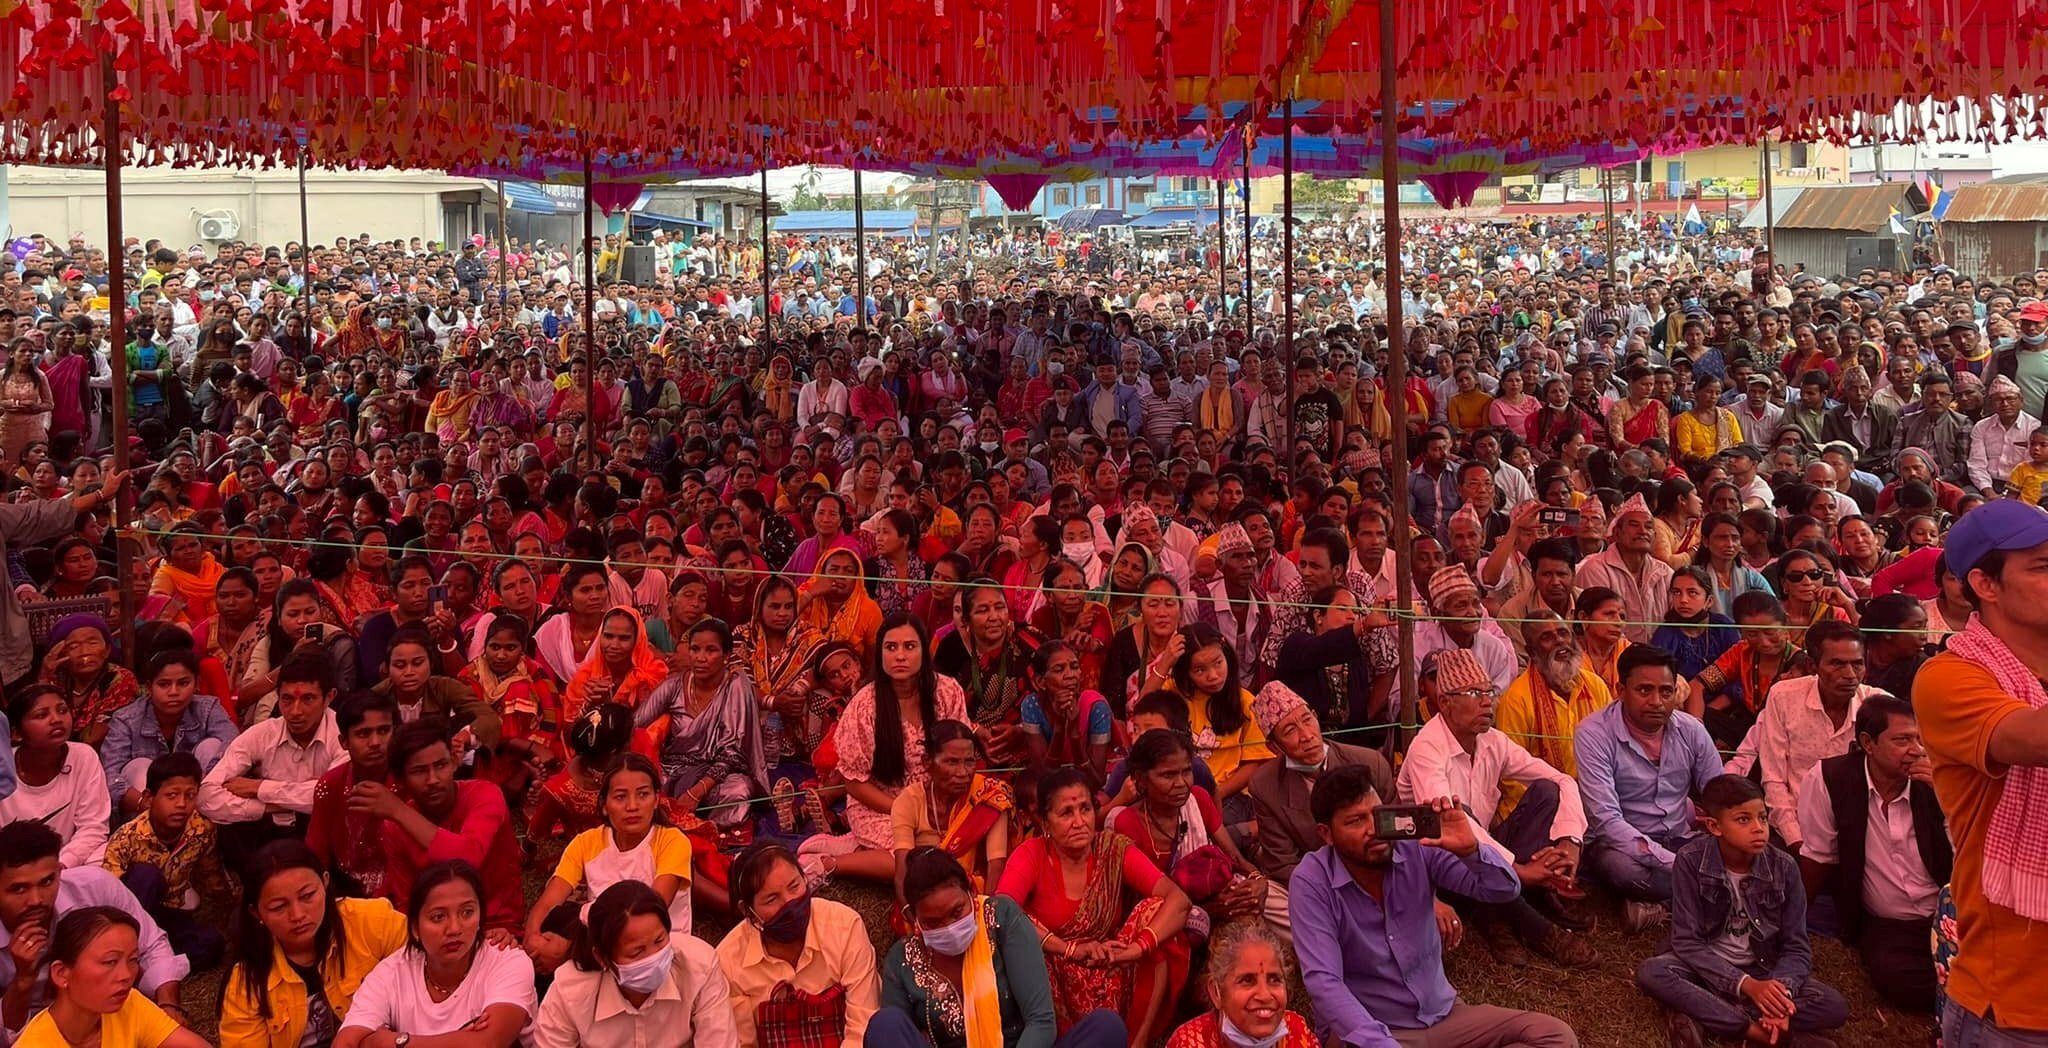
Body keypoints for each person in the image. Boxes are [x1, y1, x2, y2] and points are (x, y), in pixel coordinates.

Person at [1290, 763, 1577, 1048]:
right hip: (1372, 1031)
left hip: (1442, 1016)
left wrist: (1471, 850)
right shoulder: (1312, 880)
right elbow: (1324, 982)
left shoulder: (1417, 845)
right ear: (1326, 834)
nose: (1373, 829)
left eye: (1376, 814)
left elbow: (1502, 889)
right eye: (1355, 821)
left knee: (1555, 1036)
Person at [1914, 499, 2048, 1042]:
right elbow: (2033, 739)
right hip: (2015, 1007)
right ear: (1985, 584)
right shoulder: (1948, 678)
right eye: (2043, 566)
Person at [1397, 647, 1593, 966]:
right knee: (1459, 815)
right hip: (1438, 864)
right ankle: (1535, 926)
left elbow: (1562, 780)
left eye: (1489, 692)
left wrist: (1570, 841)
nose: (1487, 701)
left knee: (1547, 791)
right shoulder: (1427, 748)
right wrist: (1517, 869)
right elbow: (1447, 824)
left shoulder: (1492, 740)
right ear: (1445, 702)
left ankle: (1511, 900)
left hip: (1486, 853)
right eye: (1474, 693)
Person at [1636, 775, 1849, 1048]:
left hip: (1763, 969)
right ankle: (1758, 1033)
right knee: (1654, 972)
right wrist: (1745, 985)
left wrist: (1780, 995)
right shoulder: (1690, 861)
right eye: (1743, 820)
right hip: (1706, 967)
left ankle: (1706, 1012)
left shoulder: (1785, 867)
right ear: (1714, 826)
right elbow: (1687, 942)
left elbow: (1796, 946)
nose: (1758, 828)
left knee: (1832, 1005)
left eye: (1762, 817)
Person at [996, 768, 1190, 1043]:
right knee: (1020, 926)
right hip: (1055, 976)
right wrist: (1067, 949)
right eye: (1066, 813)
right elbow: (1001, 912)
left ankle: (1139, 1041)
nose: (1079, 822)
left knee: (1155, 910)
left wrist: (1136, 949)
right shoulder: (1031, 854)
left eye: (1085, 809)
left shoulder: (1112, 849)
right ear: (1045, 822)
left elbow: (1178, 900)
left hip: (1110, 965)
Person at [875, 846, 1128, 1048]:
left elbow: (1040, 1021)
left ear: (971, 892)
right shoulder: (903, 958)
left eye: (957, 912)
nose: (949, 926)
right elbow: (896, 1037)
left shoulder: (1002, 918)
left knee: (1106, 1028)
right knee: (885, 1025)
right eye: (933, 922)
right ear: (915, 919)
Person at [1794, 693, 1948, 1013]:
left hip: (1947, 911)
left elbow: (1972, 851)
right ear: (1868, 743)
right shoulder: (1830, 779)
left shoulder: (1939, 781)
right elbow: (1819, 855)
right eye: (1903, 740)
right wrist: (1794, 917)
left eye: (1920, 740)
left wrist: (1950, 799)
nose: (1917, 750)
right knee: (1901, 983)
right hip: (1889, 923)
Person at [800, 614, 969, 886]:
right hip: (881, 806)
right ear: (880, 654)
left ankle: (853, 846)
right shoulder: (864, 706)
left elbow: (959, 755)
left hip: (940, 802)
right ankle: (828, 864)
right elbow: (854, 783)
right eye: (891, 647)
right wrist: (907, 811)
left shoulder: (948, 691)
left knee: (963, 849)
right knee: (920, 863)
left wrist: (937, 806)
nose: (900, 656)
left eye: (909, 646)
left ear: (924, 651)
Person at [1575, 645, 1725, 929]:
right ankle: (1716, 892)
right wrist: (1677, 863)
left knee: (1739, 850)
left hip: (1680, 836)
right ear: (1621, 690)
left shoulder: (1691, 730)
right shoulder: (1593, 733)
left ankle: (1661, 907)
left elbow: (1721, 793)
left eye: (1666, 692)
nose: (1656, 701)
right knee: (1621, 869)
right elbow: (1606, 820)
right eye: (1644, 690)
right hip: (1622, 845)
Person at [0, 821, 189, 1034]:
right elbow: (6, 1033)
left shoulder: (95, 886)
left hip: (109, 1010)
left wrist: (168, 1005)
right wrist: (23, 980)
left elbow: (151, 944)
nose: (36, 900)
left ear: (59, 872)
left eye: (47, 882)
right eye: (19, 889)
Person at [218, 840, 410, 1048]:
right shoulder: (245, 984)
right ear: (256, 913)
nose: (298, 915)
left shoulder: (375, 921)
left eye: (307, 896)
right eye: (279, 907)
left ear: (325, 882)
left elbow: (426, 983)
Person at [334, 861, 537, 1048]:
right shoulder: (392, 972)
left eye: (467, 912)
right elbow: (345, 1043)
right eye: (438, 917)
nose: (454, 928)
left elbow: (488, 1043)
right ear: (415, 928)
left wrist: (399, 1042)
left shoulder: (507, 960)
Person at [525, 753, 696, 973]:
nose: (632, 806)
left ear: (656, 800)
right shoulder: (586, 843)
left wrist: (569, 951)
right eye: (620, 797)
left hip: (656, 950)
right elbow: (548, 902)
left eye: (643, 794)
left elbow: (650, 912)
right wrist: (533, 941)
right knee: (554, 921)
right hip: (602, 939)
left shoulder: (673, 842)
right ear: (604, 805)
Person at [360, 719, 526, 938]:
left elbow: (467, 859)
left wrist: (399, 811)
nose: (433, 780)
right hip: (434, 934)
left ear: (455, 762)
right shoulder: (394, 826)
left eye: (441, 765)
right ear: (400, 779)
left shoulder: (485, 795)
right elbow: (408, 901)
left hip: (496, 928)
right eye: (419, 771)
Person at [714, 842, 880, 1048]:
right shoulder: (728, 961)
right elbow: (743, 1042)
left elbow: (862, 1026)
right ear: (747, 911)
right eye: (772, 899)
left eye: (794, 886)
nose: (790, 903)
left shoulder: (845, 926)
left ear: (804, 878)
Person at [533, 881, 734, 1048]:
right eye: (637, 952)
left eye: (660, 941)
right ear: (602, 958)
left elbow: (719, 1041)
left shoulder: (700, 966)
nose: (654, 957)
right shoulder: (570, 990)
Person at [1245, 679, 1395, 884]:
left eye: (1307, 720)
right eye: (1290, 731)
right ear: (1274, 747)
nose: (1307, 736)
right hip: (1316, 884)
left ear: (1316, 717)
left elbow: (1397, 835)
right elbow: (1281, 865)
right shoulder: (1265, 785)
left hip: (1378, 872)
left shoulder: (1371, 763)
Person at [200, 652, 345, 860]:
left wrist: (259, 788)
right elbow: (207, 796)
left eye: (308, 699)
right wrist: (270, 806)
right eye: (287, 699)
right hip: (269, 832)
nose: (295, 711)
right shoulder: (262, 733)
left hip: (325, 837)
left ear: (329, 697)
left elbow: (337, 796)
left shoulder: (343, 735)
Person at [1756, 619, 1885, 852]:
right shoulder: (1783, 697)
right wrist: (1795, 839)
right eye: (1837, 664)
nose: (1850, 674)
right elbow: (1773, 776)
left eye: (1857, 664)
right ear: (1813, 665)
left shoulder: (1879, 706)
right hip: (1796, 827)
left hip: (1863, 832)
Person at [98, 753, 230, 971]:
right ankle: (131, 955)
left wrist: (226, 909)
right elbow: (109, 896)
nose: (182, 804)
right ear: (150, 798)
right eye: (172, 795)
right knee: (146, 875)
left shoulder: (201, 829)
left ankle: (155, 965)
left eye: (190, 795)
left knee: (211, 944)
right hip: (132, 915)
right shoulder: (127, 838)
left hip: (168, 913)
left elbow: (210, 874)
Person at [11, 907, 210, 1048]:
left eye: (133, 960)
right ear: (61, 973)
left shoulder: (129, 1004)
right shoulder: (35, 1043)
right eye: (110, 962)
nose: (126, 975)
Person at [638, 618, 767, 828]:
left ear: (726, 655)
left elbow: (732, 752)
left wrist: (696, 792)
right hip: (674, 771)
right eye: (695, 649)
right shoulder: (674, 685)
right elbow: (636, 723)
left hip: (718, 775)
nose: (701, 658)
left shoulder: (736, 686)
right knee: (645, 786)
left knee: (739, 791)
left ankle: (700, 824)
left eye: (711, 650)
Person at [99, 648, 238, 819]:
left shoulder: (208, 708)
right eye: (164, 684)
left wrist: (201, 788)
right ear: (149, 688)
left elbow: (233, 745)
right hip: (147, 807)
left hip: (201, 796)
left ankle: (207, 822)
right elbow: (110, 774)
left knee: (212, 746)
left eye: (183, 683)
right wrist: (145, 802)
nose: (173, 692)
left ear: (196, 684)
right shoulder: (126, 719)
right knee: (139, 766)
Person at [892, 720, 1012, 896]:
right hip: (926, 895)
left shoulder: (989, 797)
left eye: (969, 762)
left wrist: (984, 908)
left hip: (976, 892)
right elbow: (902, 872)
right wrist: (909, 910)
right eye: (952, 762)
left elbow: (996, 865)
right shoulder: (909, 801)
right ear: (927, 762)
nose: (963, 772)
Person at [0, 684, 112, 867]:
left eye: (62, 710)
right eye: (41, 715)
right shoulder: (3, 767)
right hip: (9, 868)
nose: (56, 720)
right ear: (16, 733)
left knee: (103, 857)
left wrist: (60, 864)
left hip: (66, 863)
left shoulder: (83, 756)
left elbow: (93, 827)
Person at [1493, 609, 1612, 777]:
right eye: (1547, 637)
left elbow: (1613, 742)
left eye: (1563, 633)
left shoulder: (1595, 684)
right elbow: (1510, 773)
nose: (1559, 641)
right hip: (1547, 792)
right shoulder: (1516, 699)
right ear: (1532, 652)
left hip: (1598, 786)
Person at [1162, 921, 1319, 1048]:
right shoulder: (1189, 1042)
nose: (1265, 995)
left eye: (1274, 980)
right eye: (1247, 980)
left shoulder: (1297, 1032)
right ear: (1216, 992)